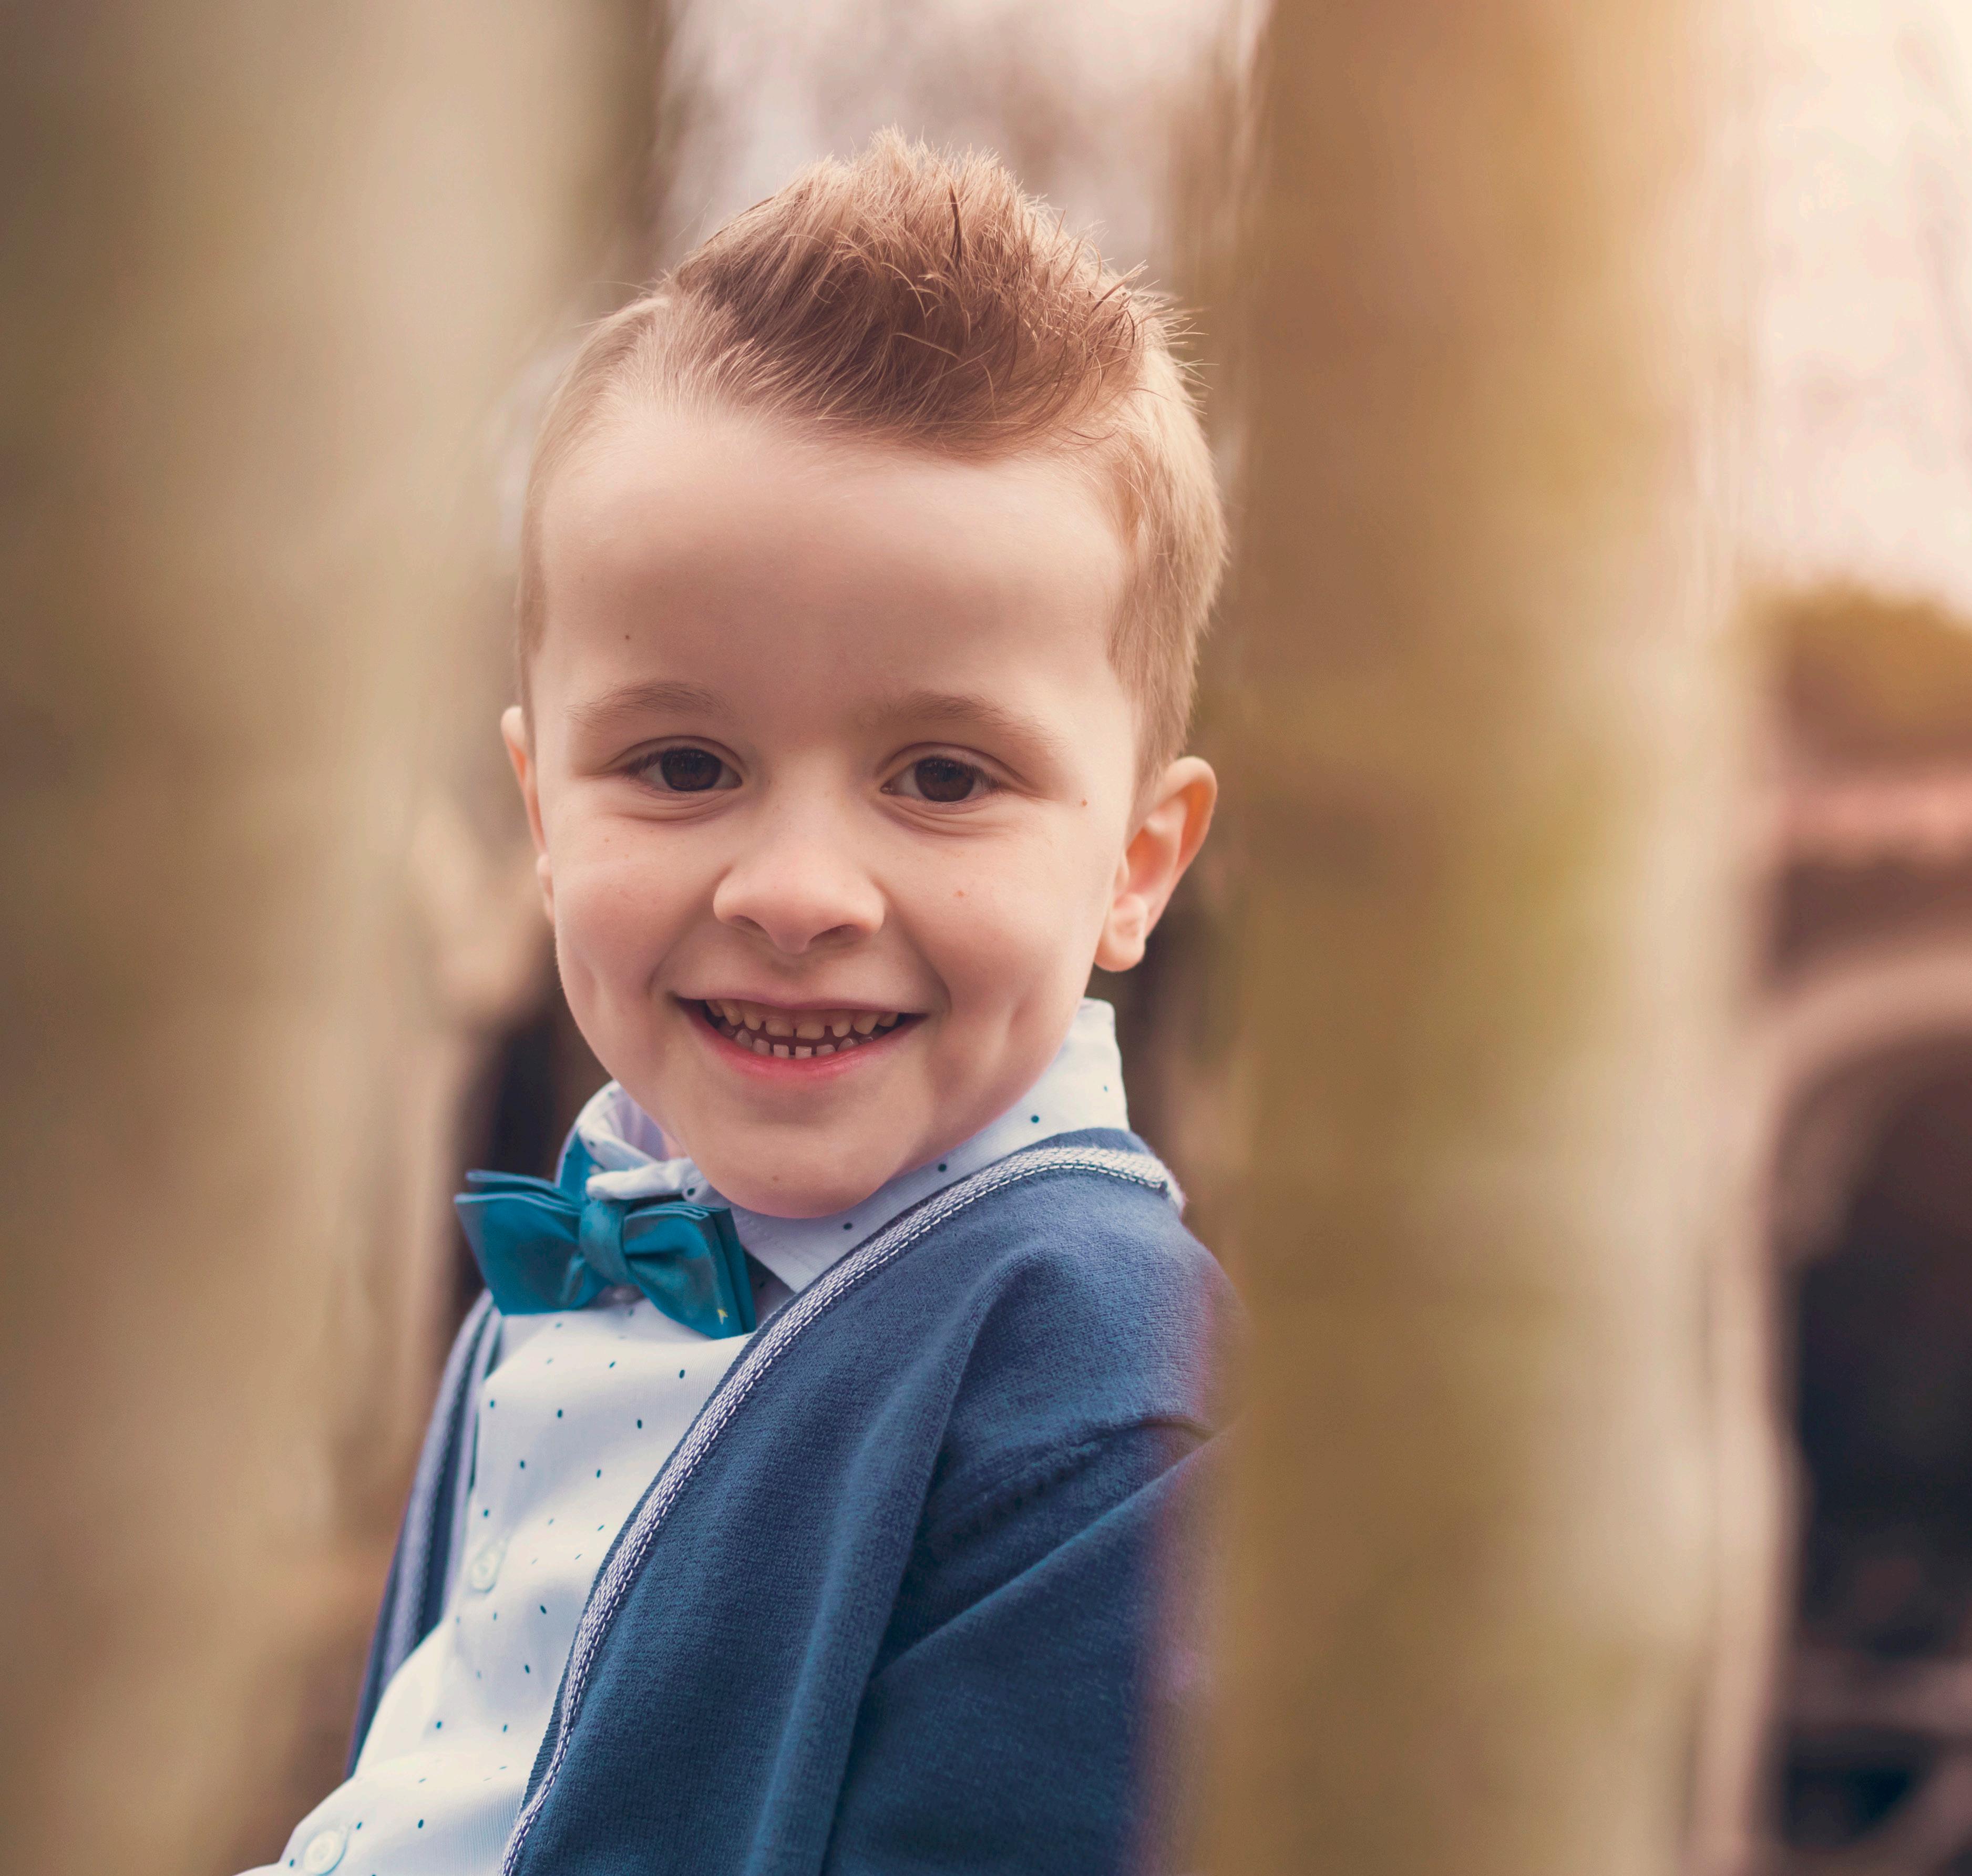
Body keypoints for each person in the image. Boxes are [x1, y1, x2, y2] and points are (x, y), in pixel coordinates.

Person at [248, 131, 1234, 1876]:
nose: (795, 890)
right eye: (682, 763)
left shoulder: (1092, 1380)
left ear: (1135, 867)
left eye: (943, 776)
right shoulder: (585, 1246)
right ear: (543, 811)